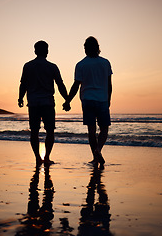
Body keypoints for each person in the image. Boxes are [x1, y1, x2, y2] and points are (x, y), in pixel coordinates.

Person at [63, 36, 112, 165]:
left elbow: (76, 85)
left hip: (87, 100)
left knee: (91, 130)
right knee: (104, 129)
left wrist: (68, 100)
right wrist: (109, 99)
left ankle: (95, 157)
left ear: (86, 48)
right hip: (102, 100)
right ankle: (98, 150)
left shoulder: (81, 64)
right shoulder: (105, 62)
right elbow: (109, 84)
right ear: (97, 47)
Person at [18, 40, 68, 165]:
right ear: (46, 51)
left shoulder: (28, 66)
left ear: (35, 51)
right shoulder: (52, 67)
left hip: (33, 103)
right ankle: (46, 157)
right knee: (50, 131)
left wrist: (20, 98)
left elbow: (23, 84)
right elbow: (60, 85)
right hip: (48, 103)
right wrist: (67, 99)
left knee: (34, 131)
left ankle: (37, 158)